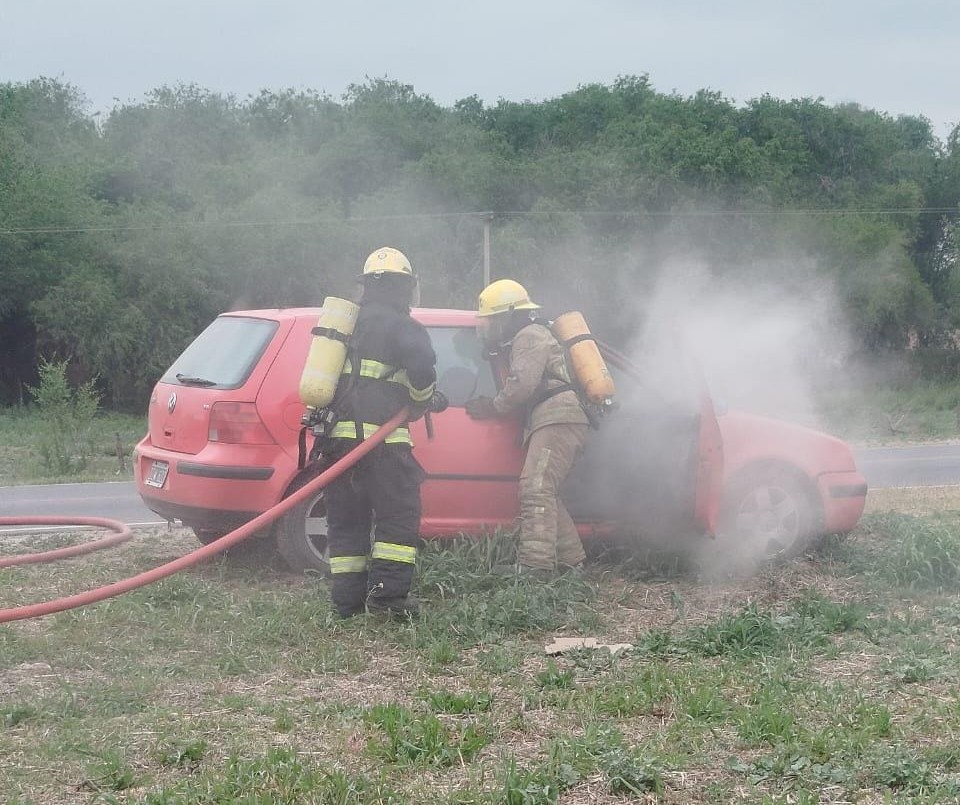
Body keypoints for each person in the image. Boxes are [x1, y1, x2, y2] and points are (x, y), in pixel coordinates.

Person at [322, 247, 437, 618]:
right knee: (397, 519)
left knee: (347, 521)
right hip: (383, 445)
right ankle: (388, 602)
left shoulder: (345, 326)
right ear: (404, 287)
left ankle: (347, 603)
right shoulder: (405, 327)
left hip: (338, 444)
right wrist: (424, 398)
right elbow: (422, 374)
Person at [465, 279, 590, 577]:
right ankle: (572, 564)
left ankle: (535, 566)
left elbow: (522, 385)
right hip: (557, 418)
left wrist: (493, 406)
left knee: (536, 488)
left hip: (557, 418)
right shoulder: (528, 336)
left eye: (492, 320)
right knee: (547, 491)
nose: (489, 327)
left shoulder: (529, 336)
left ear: (508, 315)